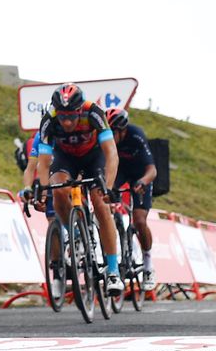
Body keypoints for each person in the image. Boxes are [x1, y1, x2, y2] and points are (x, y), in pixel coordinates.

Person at [35, 84, 123, 296]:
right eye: (62, 116)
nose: (66, 122)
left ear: (79, 111)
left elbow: (112, 154)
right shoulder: (49, 119)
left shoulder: (93, 112)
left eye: (71, 117)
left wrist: (108, 188)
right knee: (57, 192)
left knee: (100, 203)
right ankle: (75, 235)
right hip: (66, 158)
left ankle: (113, 271)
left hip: (94, 157)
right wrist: (43, 189)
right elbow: (44, 162)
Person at [107, 107, 157, 291]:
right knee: (103, 196)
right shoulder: (106, 139)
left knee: (139, 219)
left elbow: (152, 170)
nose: (110, 137)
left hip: (140, 175)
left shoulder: (136, 136)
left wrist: (143, 182)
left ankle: (148, 264)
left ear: (123, 130)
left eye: (113, 132)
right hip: (119, 172)